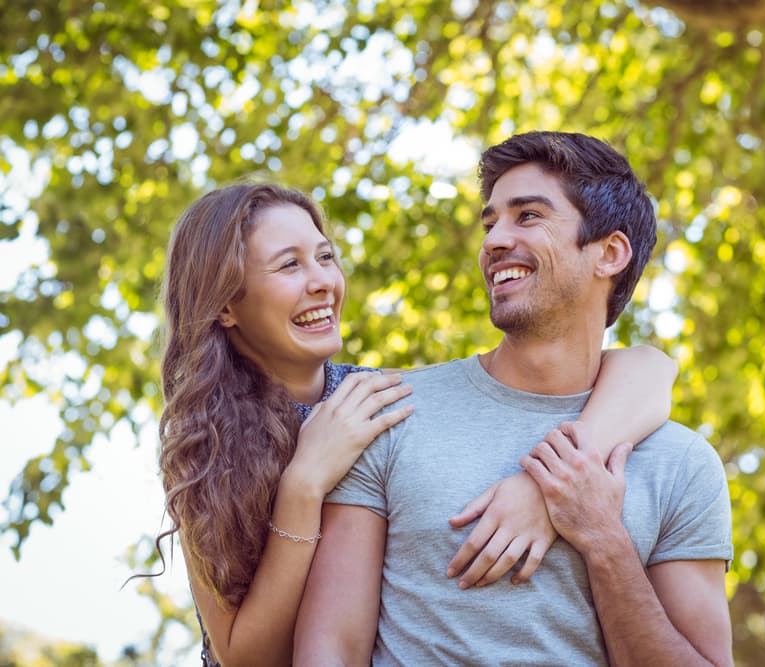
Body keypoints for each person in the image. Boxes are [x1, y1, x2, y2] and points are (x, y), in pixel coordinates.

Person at [149, 182, 679, 666]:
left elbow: (652, 370)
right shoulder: (203, 447)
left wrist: (546, 489)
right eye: (289, 266)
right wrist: (303, 484)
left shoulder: (376, 398)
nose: (322, 282)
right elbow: (246, 658)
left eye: (326, 257)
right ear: (226, 306)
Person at [295, 132, 734, 666]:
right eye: (490, 224)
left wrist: (603, 538)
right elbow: (330, 650)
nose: (494, 241)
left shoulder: (682, 465)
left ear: (609, 253)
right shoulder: (390, 412)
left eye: (528, 216)